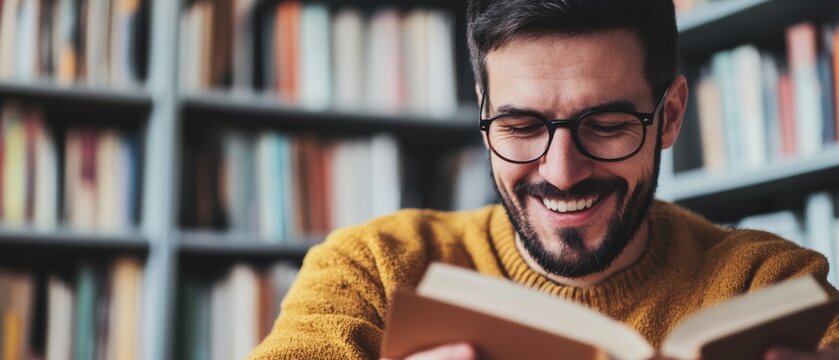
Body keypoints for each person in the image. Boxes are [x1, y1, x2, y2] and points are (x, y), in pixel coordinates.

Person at [248, 0, 839, 359]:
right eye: (521, 125)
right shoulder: (374, 268)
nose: (561, 172)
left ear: (671, 116)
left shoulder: (768, 286)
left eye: (606, 124)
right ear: (483, 119)